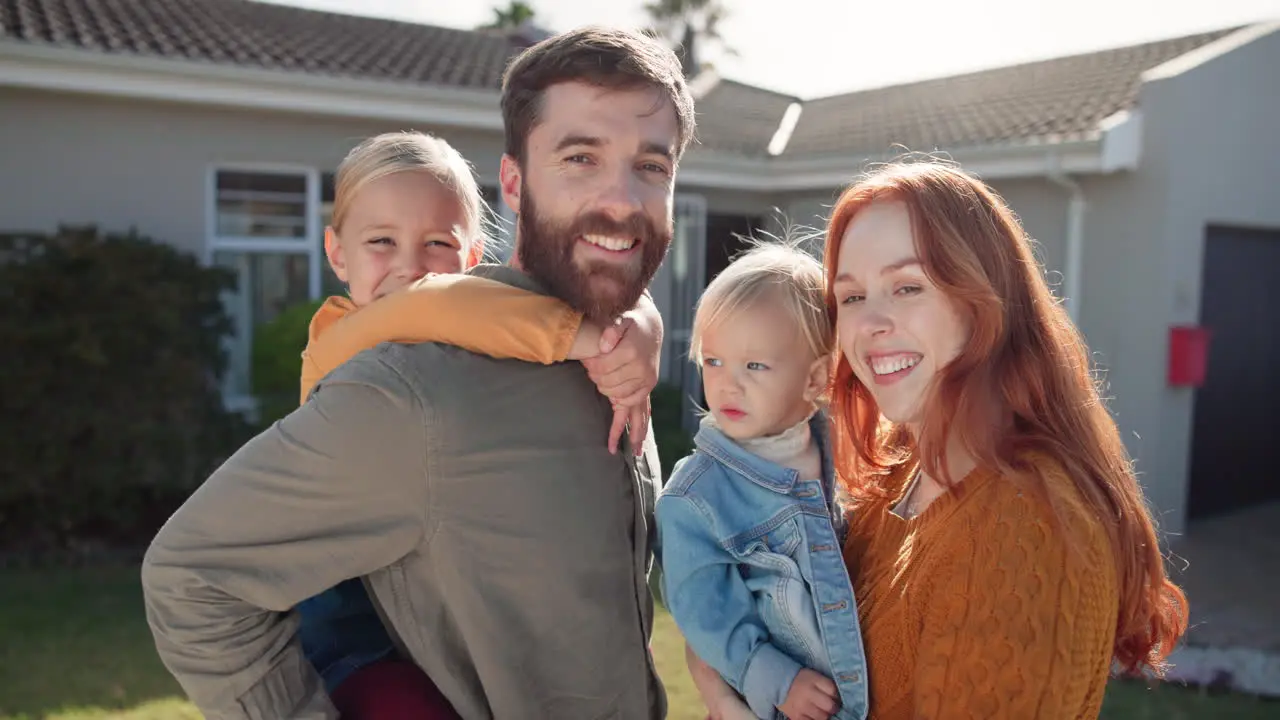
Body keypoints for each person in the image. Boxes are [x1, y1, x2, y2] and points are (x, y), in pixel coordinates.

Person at [141, 25, 695, 720]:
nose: (622, 200)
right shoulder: (413, 393)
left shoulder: (617, 357)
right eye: (580, 157)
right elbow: (191, 577)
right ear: (515, 183)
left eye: (652, 166)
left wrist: (636, 324)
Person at [288, 130, 662, 718]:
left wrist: (639, 317)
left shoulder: (468, 332)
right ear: (338, 254)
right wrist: (603, 342)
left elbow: (524, 299)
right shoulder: (339, 338)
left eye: (437, 243)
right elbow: (439, 303)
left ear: (472, 256)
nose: (410, 266)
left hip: (439, 603)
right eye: (381, 241)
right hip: (351, 623)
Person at [822, 160, 1188, 718]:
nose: (871, 323)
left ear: (982, 302)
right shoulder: (900, 473)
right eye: (851, 297)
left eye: (907, 286)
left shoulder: (1031, 526)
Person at [656, 243, 869, 720]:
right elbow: (703, 614)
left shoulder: (851, 457)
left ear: (816, 378)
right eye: (714, 361)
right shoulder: (697, 497)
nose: (728, 383)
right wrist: (776, 678)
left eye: (754, 366)